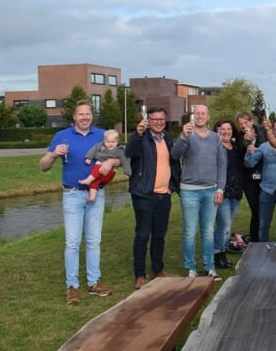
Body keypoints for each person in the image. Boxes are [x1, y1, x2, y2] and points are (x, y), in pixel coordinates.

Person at [40, 100, 114, 303]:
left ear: (92, 115)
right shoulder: (62, 136)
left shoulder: (101, 135)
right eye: (81, 114)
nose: (85, 117)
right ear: (74, 116)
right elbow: (43, 166)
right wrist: (54, 154)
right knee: (72, 242)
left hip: (96, 194)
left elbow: (118, 155)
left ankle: (94, 282)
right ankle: (71, 286)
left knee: (94, 240)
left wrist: (110, 161)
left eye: (88, 114)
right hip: (72, 195)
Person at [125, 105, 182, 290]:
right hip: (144, 195)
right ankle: (139, 274)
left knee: (159, 235)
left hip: (163, 196)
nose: (158, 122)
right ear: (148, 121)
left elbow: (174, 165)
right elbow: (129, 153)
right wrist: (137, 134)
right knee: (142, 235)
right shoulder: (142, 138)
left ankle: (158, 269)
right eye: (154, 119)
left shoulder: (168, 139)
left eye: (161, 119)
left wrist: (173, 186)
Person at [171, 105, 226, 280]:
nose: (200, 116)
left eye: (203, 113)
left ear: (208, 117)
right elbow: (175, 154)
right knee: (189, 231)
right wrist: (183, 136)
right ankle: (190, 268)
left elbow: (221, 165)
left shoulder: (215, 138)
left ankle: (209, 267)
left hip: (211, 191)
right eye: (197, 113)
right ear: (193, 116)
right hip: (189, 191)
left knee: (208, 231)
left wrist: (220, 188)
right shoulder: (187, 135)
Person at [245, 116, 276, 242]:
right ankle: (262, 252)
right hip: (267, 190)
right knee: (263, 225)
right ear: (272, 130)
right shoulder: (264, 146)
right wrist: (249, 151)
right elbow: (250, 164)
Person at [213, 119, 245, 269]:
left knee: (227, 225)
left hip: (236, 191)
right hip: (222, 192)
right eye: (222, 129)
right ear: (218, 131)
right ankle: (218, 254)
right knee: (224, 225)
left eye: (228, 129)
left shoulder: (236, 147)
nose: (226, 132)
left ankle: (222, 251)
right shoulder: (214, 147)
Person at [78, 129, 132, 202]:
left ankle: (88, 180)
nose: (110, 144)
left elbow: (125, 161)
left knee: (97, 168)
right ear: (104, 141)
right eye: (108, 142)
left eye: (113, 142)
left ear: (117, 142)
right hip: (99, 175)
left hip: (110, 172)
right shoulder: (101, 146)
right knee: (95, 182)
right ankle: (92, 197)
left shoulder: (119, 150)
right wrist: (89, 157)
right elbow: (93, 150)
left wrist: (128, 173)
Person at [236, 111, 266, 243]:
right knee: (256, 209)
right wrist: (245, 143)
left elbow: (267, 146)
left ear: (252, 121)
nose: (243, 125)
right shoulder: (239, 137)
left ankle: (261, 238)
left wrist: (256, 145)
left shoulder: (262, 131)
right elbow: (238, 154)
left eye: (245, 122)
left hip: (264, 175)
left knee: (263, 209)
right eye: (241, 123)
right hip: (248, 178)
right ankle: (255, 240)